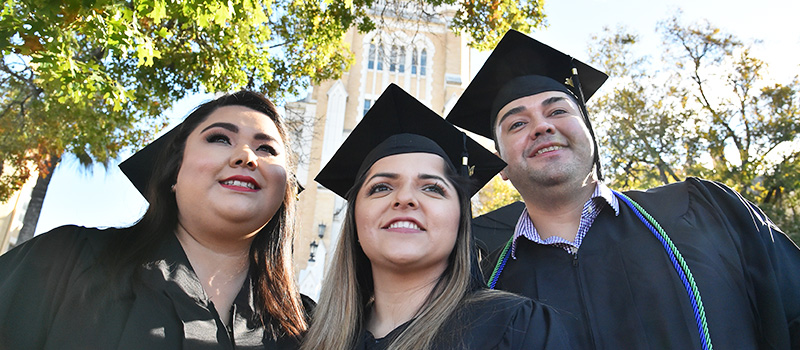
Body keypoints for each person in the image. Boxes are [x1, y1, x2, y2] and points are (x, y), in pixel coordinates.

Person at [446, 29, 800, 349]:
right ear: (501, 164)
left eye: (557, 111)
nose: (541, 127)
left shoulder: (705, 211)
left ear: (589, 132)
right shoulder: (477, 274)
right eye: (518, 123)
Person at [0, 91, 311, 349]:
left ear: (283, 189)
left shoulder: (309, 326)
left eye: (267, 148)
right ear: (174, 173)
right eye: (219, 139)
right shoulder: (66, 260)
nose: (246, 156)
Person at [302, 84, 570, 350]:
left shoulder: (516, 328)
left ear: (460, 218)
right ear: (355, 218)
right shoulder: (313, 339)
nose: (404, 198)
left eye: (432, 188)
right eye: (381, 187)